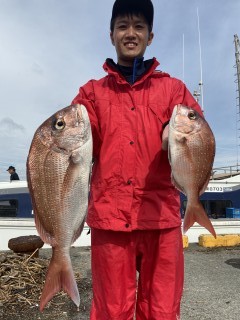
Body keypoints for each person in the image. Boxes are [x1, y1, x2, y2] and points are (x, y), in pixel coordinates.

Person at [72, 0, 203, 319]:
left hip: (161, 218)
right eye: (123, 26)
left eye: (139, 26)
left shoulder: (174, 90)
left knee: (161, 309)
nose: (131, 33)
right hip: (110, 219)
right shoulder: (91, 93)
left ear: (150, 36)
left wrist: (173, 138)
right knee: (110, 311)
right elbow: (74, 144)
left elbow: (199, 139)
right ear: (111, 34)